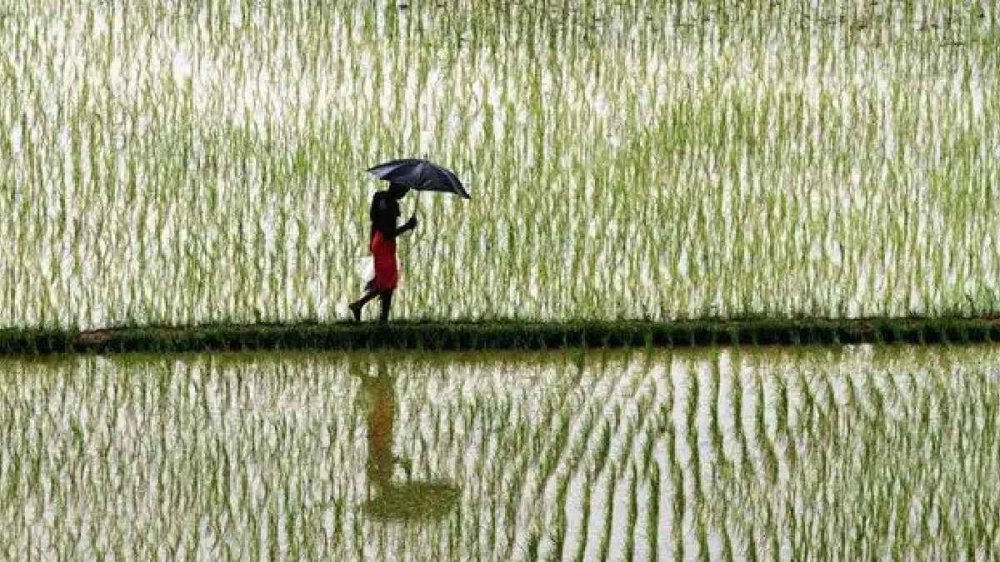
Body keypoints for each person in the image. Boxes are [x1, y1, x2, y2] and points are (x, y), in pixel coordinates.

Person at [349, 182, 418, 323]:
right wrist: (407, 226)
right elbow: (389, 233)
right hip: (385, 244)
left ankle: (379, 317)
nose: (404, 194)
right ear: (396, 188)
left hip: (377, 240)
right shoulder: (392, 205)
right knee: (388, 283)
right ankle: (364, 308)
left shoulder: (379, 196)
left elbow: (374, 219)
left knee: (387, 282)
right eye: (404, 190)